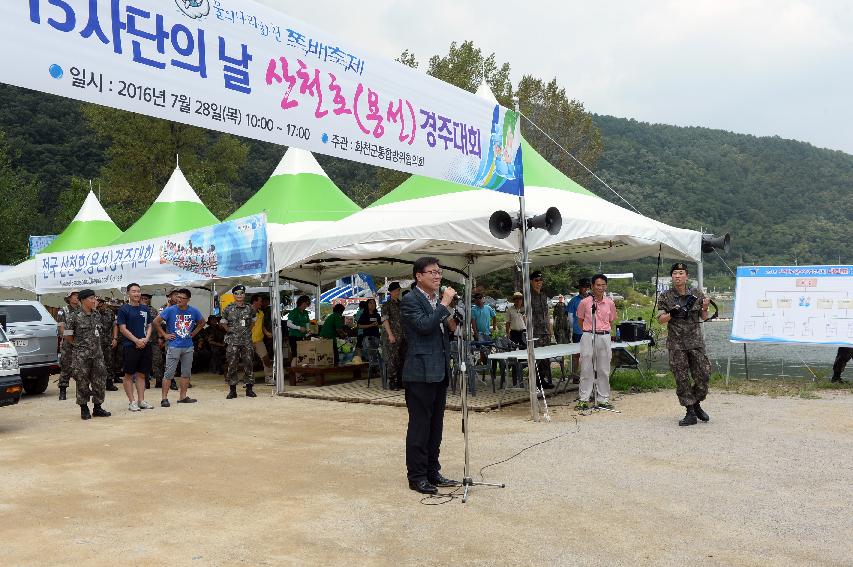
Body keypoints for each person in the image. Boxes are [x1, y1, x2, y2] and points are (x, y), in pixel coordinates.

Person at [401, 256, 459, 495]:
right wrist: (444, 305)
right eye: (432, 272)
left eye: (439, 272)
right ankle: (416, 476)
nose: (438, 276)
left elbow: (445, 330)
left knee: (436, 426)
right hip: (419, 372)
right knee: (420, 426)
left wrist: (453, 319)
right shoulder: (410, 300)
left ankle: (433, 471)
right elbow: (424, 326)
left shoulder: (437, 300)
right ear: (419, 276)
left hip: (439, 370)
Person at [658, 263, 712, 426]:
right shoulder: (665, 296)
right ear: (672, 277)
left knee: (703, 375)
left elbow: (703, 316)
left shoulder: (696, 293)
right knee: (682, 379)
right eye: (675, 273)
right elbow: (660, 319)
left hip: (695, 342)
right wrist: (671, 314)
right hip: (677, 344)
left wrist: (705, 306)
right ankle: (690, 411)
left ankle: (696, 403)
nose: (678, 276)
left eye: (681, 273)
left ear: (687, 276)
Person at [153, 288, 204, 406]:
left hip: (188, 346)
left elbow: (202, 322)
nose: (179, 299)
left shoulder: (194, 311)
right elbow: (156, 322)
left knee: (186, 373)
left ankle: (183, 396)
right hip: (174, 346)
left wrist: (194, 333)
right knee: (169, 373)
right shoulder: (170, 310)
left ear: (188, 300)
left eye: (182, 298)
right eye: (178, 297)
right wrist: (165, 335)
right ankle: (164, 398)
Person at [65, 289, 111, 420]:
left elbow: (101, 330)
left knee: (99, 381)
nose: (94, 301)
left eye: (94, 298)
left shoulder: (96, 314)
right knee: (82, 382)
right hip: (81, 355)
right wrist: (78, 345)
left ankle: (98, 407)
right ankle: (84, 408)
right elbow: (68, 335)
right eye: (91, 298)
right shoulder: (74, 316)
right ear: (83, 300)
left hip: (97, 354)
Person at [576, 274, 617, 411]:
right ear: (592, 286)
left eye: (603, 285)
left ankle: (603, 399)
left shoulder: (610, 302)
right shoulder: (585, 302)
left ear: (606, 286)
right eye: (597, 285)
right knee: (586, 368)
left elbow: (611, 320)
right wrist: (588, 332)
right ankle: (584, 399)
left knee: (603, 369)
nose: (600, 287)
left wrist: (602, 331)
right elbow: (580, 320)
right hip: (589, 335)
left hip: (604, 336)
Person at [116, 283, 155, 412]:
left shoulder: (145, 309)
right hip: (130, 346)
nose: (137, 294)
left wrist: (146, 338)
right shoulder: (124, 309)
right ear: (128, 293)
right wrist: (136, 340)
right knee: (128, 375)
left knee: (142, 375)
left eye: (138, 291)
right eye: (134, 291)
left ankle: (141, 400)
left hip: (145, 345)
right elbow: (122, 328)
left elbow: (150, 325)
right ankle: (132, 401)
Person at [220, 285, 257, 399]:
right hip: (233, 341)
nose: (239, 295)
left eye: (241, 293)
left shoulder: (250, 308)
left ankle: (249, 389)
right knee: (232, 365)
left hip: (246, 341)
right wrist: (230, 331)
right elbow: (223, 322)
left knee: (249, 364)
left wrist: (245, 332)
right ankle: (232, 390)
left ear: (244, 295)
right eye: (236, 293)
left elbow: (253, 322)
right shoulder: (228, 308)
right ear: (233, 295)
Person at [529, 271, 555, 389]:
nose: (538, 283)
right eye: (536, 280)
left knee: (545, 358)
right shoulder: (528, 296)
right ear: (531, 281)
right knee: (537, 358)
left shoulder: (543, 296)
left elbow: (547, 314)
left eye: (540, 280)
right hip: (535, 332)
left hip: (544, 331)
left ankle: (542, 380)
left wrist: (550, 330)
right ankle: (534, 382)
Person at [56, 289, 80, 401]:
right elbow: (61, 328)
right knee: (66, 367)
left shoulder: (82, 310)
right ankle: (62, 390)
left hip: (80, 343)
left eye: (78, 296)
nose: (76, 297)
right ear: (69, 298)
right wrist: (71, 341)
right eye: (74, 296)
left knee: (81, 368)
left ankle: (81, 391)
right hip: (68, 343)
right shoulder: (63, 311)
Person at [381, 282, 405, 390]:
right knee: (392, 359)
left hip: (402, 335)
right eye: (396, 291)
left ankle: (400, 381)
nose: (397, 293)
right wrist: (390, 335)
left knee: (400, 358)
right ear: (391, 292)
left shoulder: (401, 304)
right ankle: (392, 381)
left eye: (398, 291)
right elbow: (385, 320)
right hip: (392, 336)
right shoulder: (386, 305)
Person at [566, 278, 591, 383]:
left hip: (590, 331)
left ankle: (587, 375)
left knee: (588, 354)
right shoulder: (574, 301)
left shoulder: (592, 299)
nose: (585, 289)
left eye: (586, 287)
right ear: (580, 288)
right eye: (583, 287)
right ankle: (575, 375)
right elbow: (570, 317)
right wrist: (573, 328)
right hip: (578, 331)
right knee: (576, 354)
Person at [504, 291, 526, 386]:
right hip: (514, 332)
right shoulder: (510, 310)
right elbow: (507, 323)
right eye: (516, 298)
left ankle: (522, 372)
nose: (518, 300)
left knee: (524, 352)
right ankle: (514, 375)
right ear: (514, 300)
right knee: (513, 353)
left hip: (523, 332)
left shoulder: (524, 309)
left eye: (520, 298)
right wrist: (508, 333)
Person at [250, 293, 274, 384]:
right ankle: (248, 379)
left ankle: (268, 377)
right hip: (248, 340)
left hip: (259, 340)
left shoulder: (261, 313)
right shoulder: (246, 312)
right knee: (248, 360)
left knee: (266, 358)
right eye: (260, 301)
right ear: (255, 301)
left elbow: (262, 325)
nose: (262, 303)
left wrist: (267, 333)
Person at [97, 298, 119, 391]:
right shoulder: (91, 312)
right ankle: (97, 385)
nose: (99, 305)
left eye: (101, 303)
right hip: (95, 343)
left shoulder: (109, 312)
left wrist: (115, 338)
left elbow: (114, 325)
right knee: (96, 364)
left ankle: (109, 383)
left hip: (107, 341)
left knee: (109, 362)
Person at [286, 295, 312, 362]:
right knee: (295, 355)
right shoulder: (294, 312)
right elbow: (288, 324)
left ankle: (301, 369)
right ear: (302, 303)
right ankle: (295, 370)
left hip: (303, 336)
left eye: (307, 304)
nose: (306, 306)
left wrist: (309, 330)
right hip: (294, 336)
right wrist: (298, 328)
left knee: (303, 354)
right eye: (306, 303)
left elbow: (307, 323)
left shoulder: (306, 312)